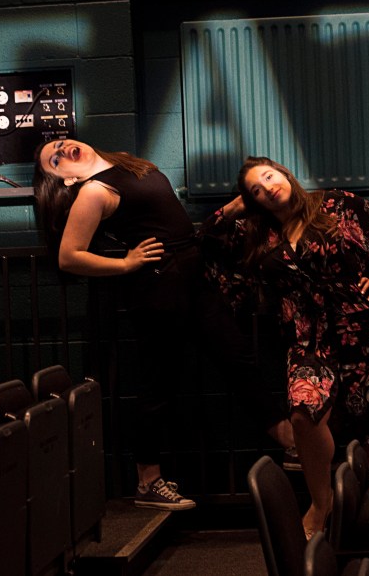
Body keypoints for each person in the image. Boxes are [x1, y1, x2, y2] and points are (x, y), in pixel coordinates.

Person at [33, 139, 294, 510]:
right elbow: (69, 257)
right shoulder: (93, 191)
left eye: (60, 145)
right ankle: (148, 482)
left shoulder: (124, 163)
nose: (63, 151)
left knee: (238, 360)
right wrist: (125, 264)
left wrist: (233, 209)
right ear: (66, 180)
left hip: (193, 278)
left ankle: (293, 445)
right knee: (159, 384)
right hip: (159, 288)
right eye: (55, 160)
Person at [205, 156, 369, 539]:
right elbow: (208, 240)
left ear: (284, 173)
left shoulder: (335, 203)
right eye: (256, 189)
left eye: (269, 176)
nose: (268, 187)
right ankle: (322, 503)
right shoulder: (257, 234)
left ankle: (363, 529)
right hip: (308, 337)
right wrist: (235, 207)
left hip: (365, 327)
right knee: (303, 412)